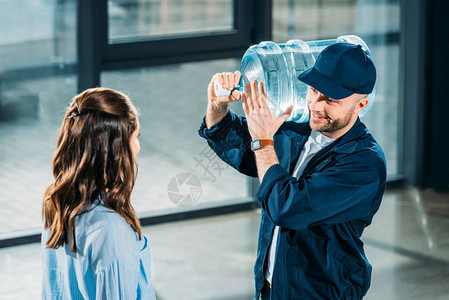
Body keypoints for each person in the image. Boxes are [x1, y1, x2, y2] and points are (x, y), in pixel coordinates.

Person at [198, 43, 386, 299]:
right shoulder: (298, 130)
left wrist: (263, 141)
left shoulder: (364, 165)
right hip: (272, 287)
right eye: (313, 90)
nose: (316, 106)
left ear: (361, 105)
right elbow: (244, 149)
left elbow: (286, 207)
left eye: (331, 99)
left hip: (320, 293)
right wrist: (217, 105)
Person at [41, 88, 156, 299]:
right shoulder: (112, 233)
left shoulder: (58, 202)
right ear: (117, 151)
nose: (138, 147)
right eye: (136, 137)